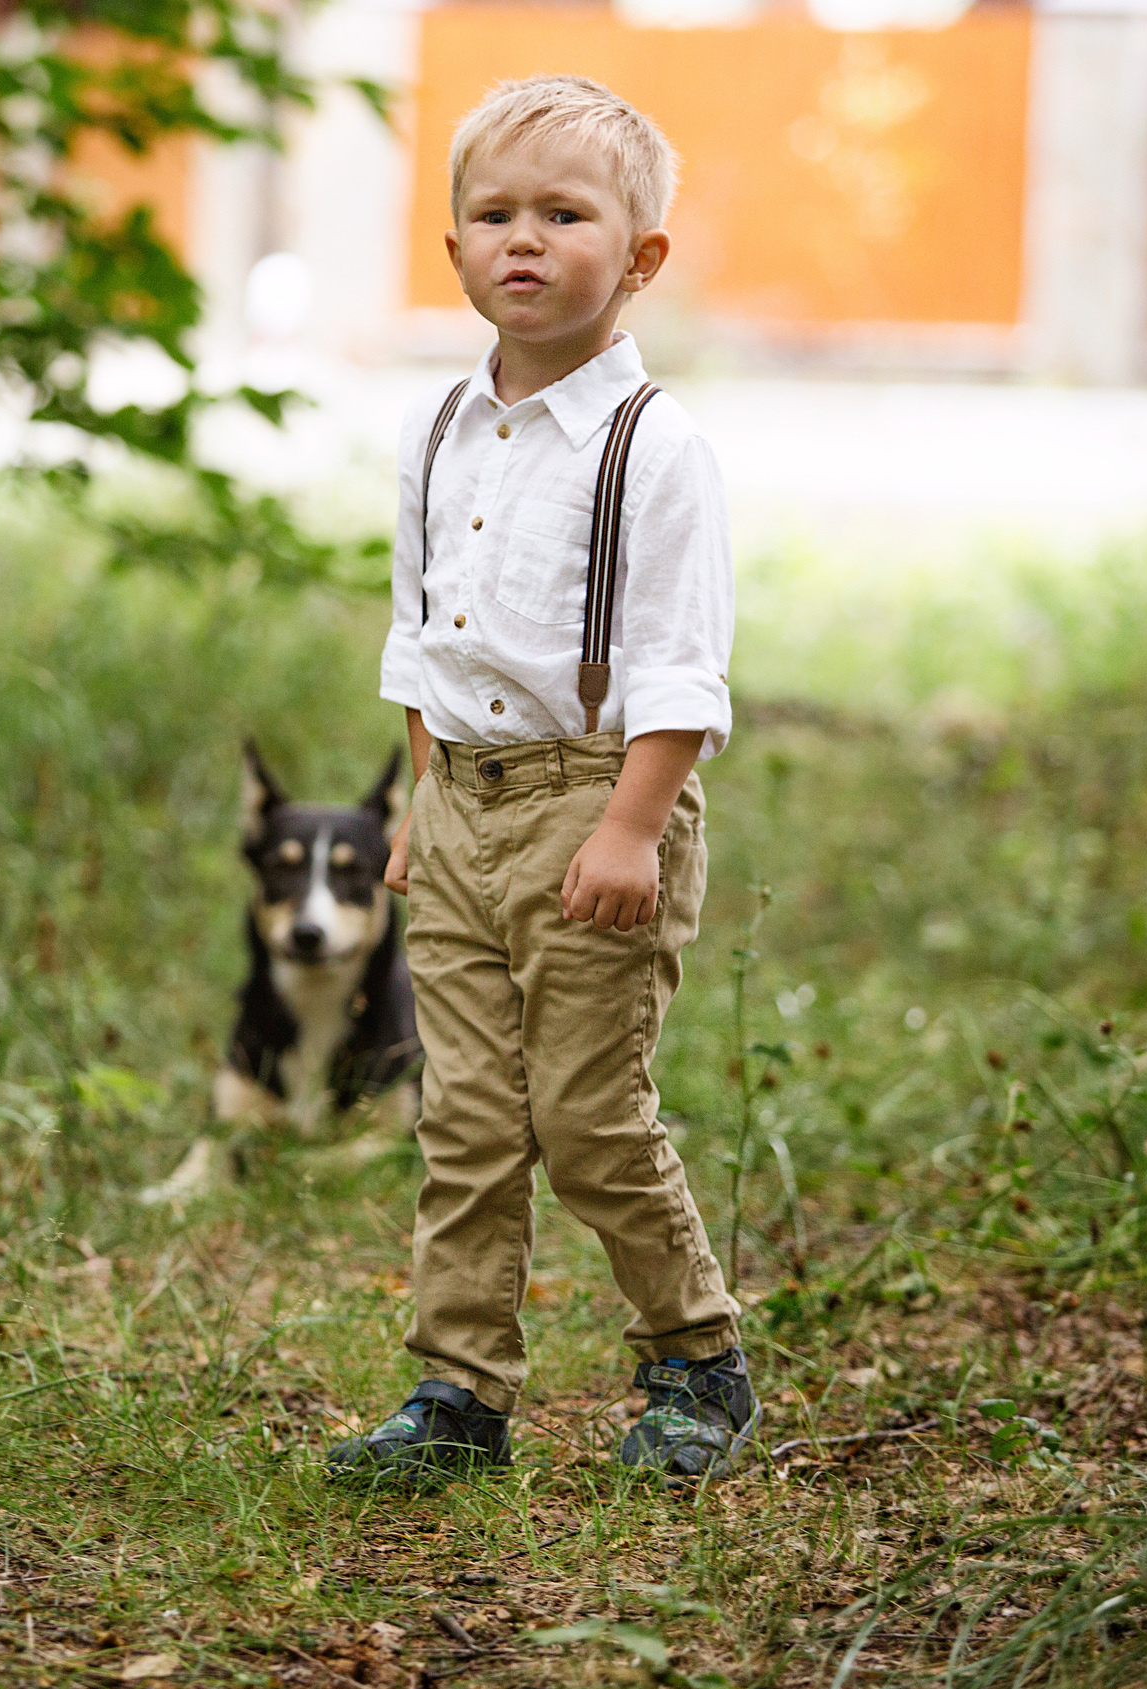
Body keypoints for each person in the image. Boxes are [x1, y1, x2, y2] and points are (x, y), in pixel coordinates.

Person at [326, 75, 755, 1483]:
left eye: (564, 215)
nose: (524, 240)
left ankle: (694, 1361)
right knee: (462, 1118)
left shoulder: (654, 450)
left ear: (638, 258)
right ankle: (458, 1393)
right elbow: (422, 635)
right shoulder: (439, 428)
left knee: (582, 1115)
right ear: (453, 252)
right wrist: (414, 802)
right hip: (459, 808)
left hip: (594, 802)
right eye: (493, 215)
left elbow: (682, 668)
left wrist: (632, 831)